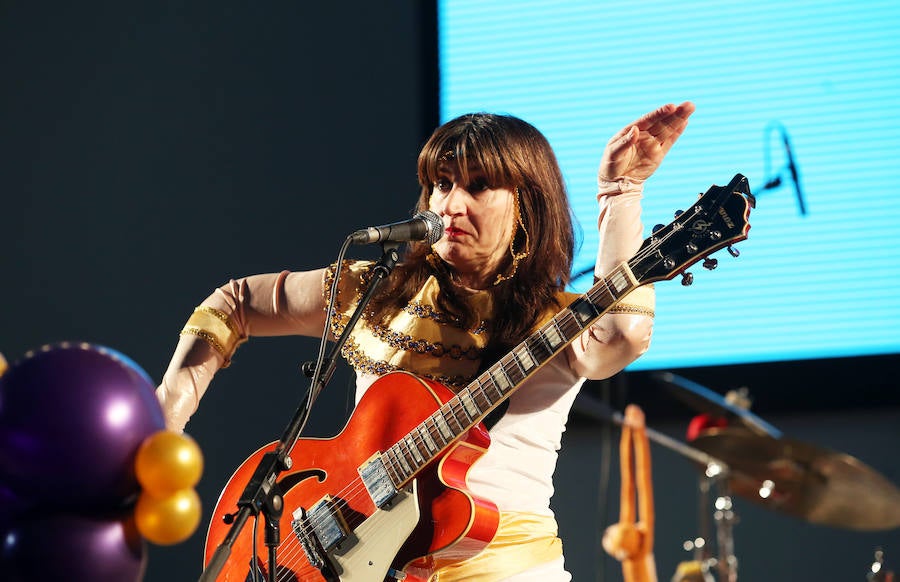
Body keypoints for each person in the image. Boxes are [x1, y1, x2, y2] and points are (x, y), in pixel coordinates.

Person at [156, 101, 695, 581]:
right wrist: (165, 421)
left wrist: (620, 193)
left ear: (526, 204)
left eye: (478, 186)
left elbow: (622, 332)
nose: (450, 204)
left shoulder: (557, 323)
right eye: (442, 183)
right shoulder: (372, 291)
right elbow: (234, 305)